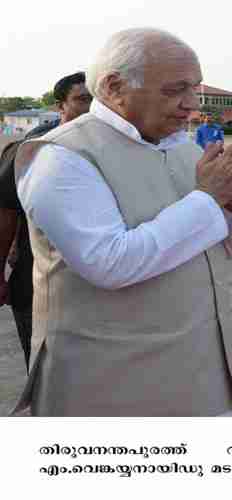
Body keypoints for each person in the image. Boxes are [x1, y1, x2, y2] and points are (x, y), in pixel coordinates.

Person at [10, 28, 232, 416]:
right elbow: (110, 263)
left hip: (201, 372)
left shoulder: (182, 146)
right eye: (175, 90)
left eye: (195, 89)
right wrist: (210, 197)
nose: (191, 104)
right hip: (109, 382)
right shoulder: (61, 156)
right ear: (115, 87)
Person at [0, 71, 92, 372]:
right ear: (59, 106)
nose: (91, 106)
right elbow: (6, 212)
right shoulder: (32, 150)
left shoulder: (116, 148)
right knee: (44, 371)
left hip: (96, 283)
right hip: (37, 278)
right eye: (82, 99)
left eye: (95, 99)